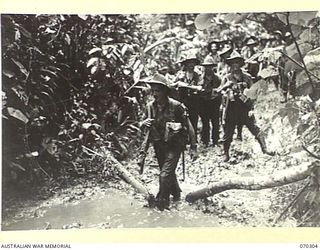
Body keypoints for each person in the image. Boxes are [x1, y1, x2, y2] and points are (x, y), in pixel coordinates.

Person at [140, 74, 197, 211]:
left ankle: (162, 204)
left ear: (165, 91)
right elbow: (141, 124)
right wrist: (143, 123)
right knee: (168, 173)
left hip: (174, 145)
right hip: (159, 145)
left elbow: (189, 126)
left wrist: (193, 147)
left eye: (157, 91)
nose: (154, 94)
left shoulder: (176, 106)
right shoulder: (149, 107)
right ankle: (176, 194)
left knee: (164, 175)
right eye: (152, 91)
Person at [218, 51, 275, 162]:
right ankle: (226, 153)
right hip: (231, 108)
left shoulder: (247, 77)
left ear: (240, 64)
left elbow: (254, 92)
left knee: (254, 128)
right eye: (233, 63)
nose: (235, 65)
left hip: (245, 107)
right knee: (228, 133)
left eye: (237, 62)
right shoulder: (227, 78)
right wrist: (227, 91)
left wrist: (251, 105)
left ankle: (265, 149)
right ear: (230, 65)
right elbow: (219, 92)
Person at [173, 54, 202, 140]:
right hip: (183, 100)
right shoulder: (180, 75)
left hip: (194, 101)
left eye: (193, 63)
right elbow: (173, 85)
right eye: (189, 63)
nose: (191, 65)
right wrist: (180, 84)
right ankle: (184, 139)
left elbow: (200, 87)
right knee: (182, 119)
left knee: (194, 119)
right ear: (186, 64)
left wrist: (186, 86)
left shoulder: (197, 75)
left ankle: (194, 140)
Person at [199, 57, 221, 146]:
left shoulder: (217, 78)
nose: (208, 68)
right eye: (206, 66)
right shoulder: (200, 78)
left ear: (213, 67)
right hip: (204, 103)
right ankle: (205, 141)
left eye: (210, 66)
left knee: (215, 122)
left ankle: (215, 140)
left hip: (215, 102)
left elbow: (221, 90)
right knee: (205, 122)